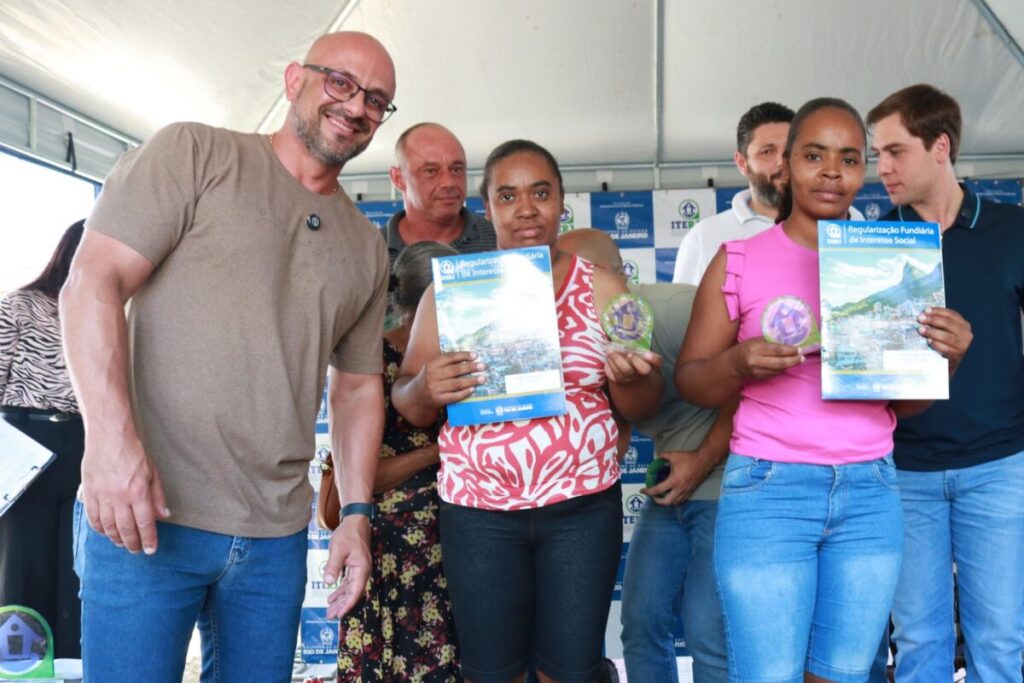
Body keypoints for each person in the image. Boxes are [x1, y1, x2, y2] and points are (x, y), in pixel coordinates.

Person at [59, 31, 396, 682]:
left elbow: (356, 386)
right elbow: (93, 283)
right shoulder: (194, 153)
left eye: (376, 100)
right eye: (341, 82)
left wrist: (355, 512)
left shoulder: (365, 245)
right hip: (146, 514)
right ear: (294, 79)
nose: (357, 106)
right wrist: (109, 445)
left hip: (275, 538)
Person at [676, 98, 972, 683]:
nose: (832, 171)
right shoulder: (737, 259)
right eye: (814, 156)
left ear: (863, 171)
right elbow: (691, 381)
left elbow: (903, 404)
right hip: (769, 492)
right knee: (767, 675)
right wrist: (736, 363)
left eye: (849, 158)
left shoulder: (892, 259)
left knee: (842, 675)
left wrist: (949, 362)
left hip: (870, 491)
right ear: (786, 164)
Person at [393, 140, 664, 683]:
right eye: (507, 195)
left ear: (562, 200)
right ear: (486, 207)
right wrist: (424, 386)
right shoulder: (451, 292)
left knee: (570, 671)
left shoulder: (605, 286)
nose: (526, 209)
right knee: (495, 674)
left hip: (581, 508)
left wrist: (632, 378)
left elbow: (644, 403)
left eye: (540, 193)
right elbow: (409, 404)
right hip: (479, 512)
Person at [867, 83, 1024, 683]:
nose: (881, 168)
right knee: (918, 644)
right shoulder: (872, 243)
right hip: (904, 470)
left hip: (1000, 466)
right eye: (876, 154)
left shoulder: (1013, 230)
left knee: (1000, 642)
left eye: (895, 151)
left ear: (941, 147)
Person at [558, 228, 730, 682]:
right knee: (640, 625)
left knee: (708, 634)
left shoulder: (677, 308)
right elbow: (617, 417)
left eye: (569, 274)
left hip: (725, 484)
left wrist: (704, 459)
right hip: (669, 486)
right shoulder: (576, 335)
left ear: (604, 275)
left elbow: (752, 384)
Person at [336, 240, 461, 681]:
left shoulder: (462, 360)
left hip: (455, 544)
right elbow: (361, 478)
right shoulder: (370, 362)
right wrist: (436, 452)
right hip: (393, 551)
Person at [0, 219, 85, 658]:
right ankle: (19, 667)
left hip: (85, 441)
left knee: (78, 570)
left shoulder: (111, 314)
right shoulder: (19, 304)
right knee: (22, 565)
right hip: (25, 439)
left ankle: (74, 664)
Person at [672, 102, 795, 285]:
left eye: (789, 151)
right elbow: (685, 303)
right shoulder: (704, 238)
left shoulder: (836, 228)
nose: (781, 162)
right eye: (767, 152)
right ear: (742, 163)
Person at [385, 122, 497, 264]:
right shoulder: (371, 251)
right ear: (398, 178)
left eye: (456, 169)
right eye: (431, 171)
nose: (448, 183)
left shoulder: (496, 239)